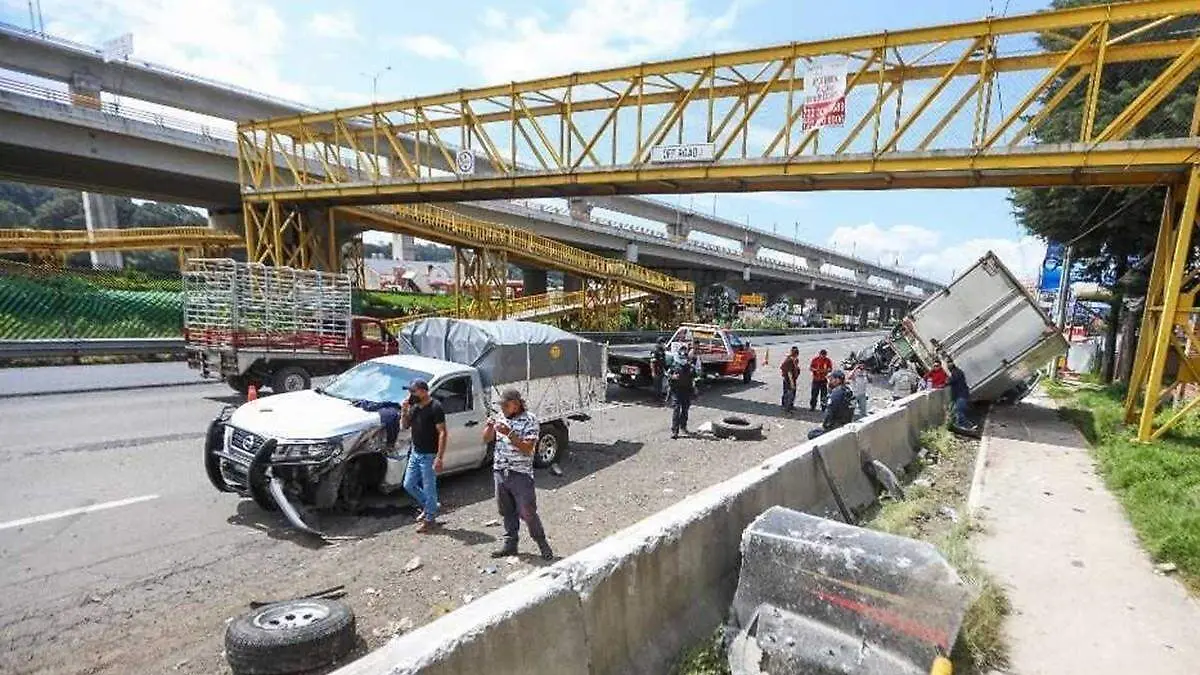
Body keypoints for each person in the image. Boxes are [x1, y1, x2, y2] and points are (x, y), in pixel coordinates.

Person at [485, 389, 554, 560]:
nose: (503, 408)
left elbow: (528, 448)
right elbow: (486, 439)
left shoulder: (530, 420)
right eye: (501, 405)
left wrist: (509, 433)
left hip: (520, 474)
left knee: (528, 512)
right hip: (500, 471)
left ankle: (542, 543)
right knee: (506, 510)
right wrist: (489, 428)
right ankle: (510, 545)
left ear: (515, 404)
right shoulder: (501, 416)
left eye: (506, 405)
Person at [401, 380, 447, 533]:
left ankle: (430, 519)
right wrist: (404, 411)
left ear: (423, 391)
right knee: (408, 484)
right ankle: (431, 506)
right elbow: (405, 426)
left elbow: (442, 432)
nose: (411, 395)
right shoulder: (414, 407)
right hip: (416, 452)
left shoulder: (435, 407)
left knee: (429, 488)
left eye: (413, 392)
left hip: (429, 455)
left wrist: (439, 457)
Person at [807, 370, 854, 439]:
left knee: (811, 434)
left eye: (831, 379)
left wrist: (825, 425)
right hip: (847, 422)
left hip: (836, 425)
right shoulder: (848, 390)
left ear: (837, 380)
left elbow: (830, 412)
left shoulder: (837, 393)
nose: (829, 381)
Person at [667, 344, 698, 438]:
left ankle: (683, 427)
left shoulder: (690, 367)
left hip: (687, 391)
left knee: (685, 410)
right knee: (676, 410)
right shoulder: (674, 365)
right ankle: (674, 431)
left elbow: (695, 378)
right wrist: (673, 377)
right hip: (676, 391)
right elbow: (668, 375)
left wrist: (695, 389)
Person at [947, 358, 973, 429]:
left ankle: (967, 426)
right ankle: (963, 425)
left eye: (949, 363)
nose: (948, 366)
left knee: (959, 410)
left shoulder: (956, 372)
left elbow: (951, 381)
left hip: (961, 395)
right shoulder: (955, 372)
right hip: (960, 395)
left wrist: (945, 383)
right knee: (958, 411)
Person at [780, 346, 801, 413]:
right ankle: (786, 407)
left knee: (792, 393)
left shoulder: (795, 360)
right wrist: (791, 383)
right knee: (788, 393)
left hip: (793, 379)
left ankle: (791, 405)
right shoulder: (789, 361)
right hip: (788, 379)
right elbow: (788, 372)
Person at [650, 339, 669, 405]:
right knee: (657, 386)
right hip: (656, 370)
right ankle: (656, 399)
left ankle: (659, 398)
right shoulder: (655, 351)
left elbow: (663, 362)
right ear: (660, 343)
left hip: (661, 370)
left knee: (660, 385)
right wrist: (653, 372)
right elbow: (652, 362)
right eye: (663, 343)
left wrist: (666, 369)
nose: (664, 344)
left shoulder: (662, 350)